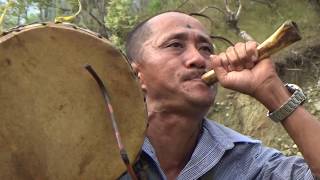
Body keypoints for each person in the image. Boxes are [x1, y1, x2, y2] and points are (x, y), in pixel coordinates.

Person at [120, 11, 320, 179]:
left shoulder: (248, 163)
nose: (198, 59)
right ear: (136, 74)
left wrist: (272, 90)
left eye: (206, 49)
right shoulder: (99, 144)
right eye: (175, 45)